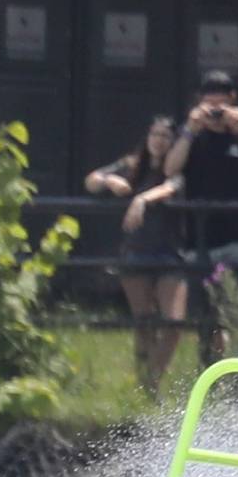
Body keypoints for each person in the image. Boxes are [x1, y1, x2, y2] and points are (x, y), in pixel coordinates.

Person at [164, 69, 238, 364]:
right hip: (200, 240)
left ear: (233, 100)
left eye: (222, 97)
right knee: (207, 318)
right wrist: (190, 129)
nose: (216, 105)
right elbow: (170, 169)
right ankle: (210, 373)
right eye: (209, 97)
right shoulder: (191, 134)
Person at [87, 115, 187, 396]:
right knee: (143, 320)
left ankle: (153, 379)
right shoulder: (132, 164)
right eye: (155, 135)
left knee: (173, 322)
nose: (159, 141)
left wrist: (142, 199)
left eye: (165, 136)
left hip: (170, 252)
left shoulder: (177, 168)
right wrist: (109, 181)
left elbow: (172, 187)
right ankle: (144, 386)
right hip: (136, 251)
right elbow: (91, 181)